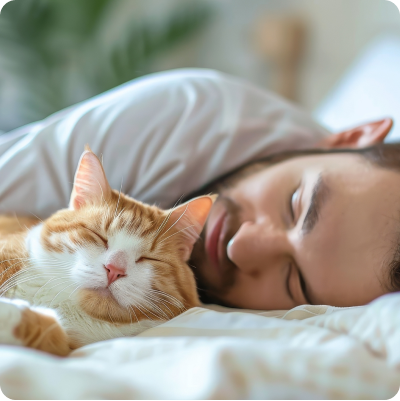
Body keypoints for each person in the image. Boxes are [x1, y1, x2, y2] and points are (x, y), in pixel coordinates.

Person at [0, 69, 398, 310]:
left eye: (293, 282)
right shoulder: (190, 114)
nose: (241, 246)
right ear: (349, 138)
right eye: (295, 205)